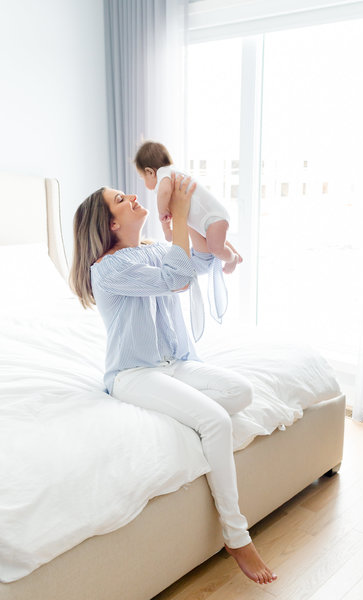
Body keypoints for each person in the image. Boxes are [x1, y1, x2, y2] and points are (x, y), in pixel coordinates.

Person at [69, 174, 277, 585]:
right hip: (133, 373)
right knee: (215, 420)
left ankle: (182, 408)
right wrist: (179, 220)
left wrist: (178, 226)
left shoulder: (151, 250)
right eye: (120, 199)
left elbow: (198, 262)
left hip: (174, 364)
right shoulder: (107, 269)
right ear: (110, 224)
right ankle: (237, 535)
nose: (132, 197)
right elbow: (177, 279)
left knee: (242, 391)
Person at [134, 140, 242, 274]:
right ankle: (230, 252)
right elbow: (171, 220)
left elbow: (164, 193)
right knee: (214, 242)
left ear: (150, 172)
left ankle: (232, 258)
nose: (145, 183)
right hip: (206, 220)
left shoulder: (164, 172)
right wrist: (167, 230)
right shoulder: (171, 178)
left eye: (142, 177)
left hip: (214, 217)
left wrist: (162, 213)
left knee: (215, 247)